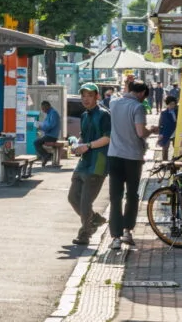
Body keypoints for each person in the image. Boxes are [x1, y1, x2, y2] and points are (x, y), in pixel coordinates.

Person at [107, 79, 156, 250]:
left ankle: (115, 237)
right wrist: (153, 129)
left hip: (114, 155)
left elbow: (116, 97)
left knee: (115, 197)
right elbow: (141, 132)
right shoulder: (138, 107)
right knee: (132, 195)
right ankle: (127, 230)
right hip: (133, 157)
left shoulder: (113, 103)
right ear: (142, 93)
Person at [68, 83, 111, 246]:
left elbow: (108, 138)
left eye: (89, 95)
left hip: (98, 163)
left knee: (85, 202)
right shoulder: (85, 115)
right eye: (83, 95)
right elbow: (83, 138)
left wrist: (88, 146)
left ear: (97, 97)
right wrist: (77, 145)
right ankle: (94, 219)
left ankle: (85, 233)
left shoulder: (104, 115)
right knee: (73, 197)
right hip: (83, 162)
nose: (85, 99)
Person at [33, 100, 61, 167]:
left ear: (47, 106)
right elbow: (46, 124)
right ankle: (46, 155)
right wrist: (40, 125)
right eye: (42, 108)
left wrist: (41, 127)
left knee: (36, 142)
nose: (43, 110)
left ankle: (46, 155)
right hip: (49, 135)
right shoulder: (49, 113)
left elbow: (50, 125)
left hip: (52, 136)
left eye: (43, 108)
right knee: (37, 141)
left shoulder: (53, 113)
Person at [158, 95, 178, 161]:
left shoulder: (178, 112)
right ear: (167, 104)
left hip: (176, 132)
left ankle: (174, 162)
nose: (172, 106)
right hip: (166, 133)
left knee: (177, 148)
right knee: (165, 149)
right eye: (170, 104)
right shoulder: (164, 113)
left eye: (173, 104)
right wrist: (160, 133)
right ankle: (164, 164)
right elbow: (161, 124)